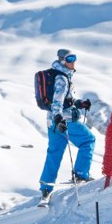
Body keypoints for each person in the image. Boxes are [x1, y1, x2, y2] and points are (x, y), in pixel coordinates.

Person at [38, 48, 95, 200]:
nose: (73, 61)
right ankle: (81, 174)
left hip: (53, 122)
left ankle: (45, 187)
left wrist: (79, 103)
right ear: (63, 60)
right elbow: (57, 101)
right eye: (70, 59)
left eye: (74, 58)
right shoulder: (62, 78)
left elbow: (65, 100)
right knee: (88, 140)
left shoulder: (58, 75)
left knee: (54, 154)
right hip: (66, 121)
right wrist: (59, 118)